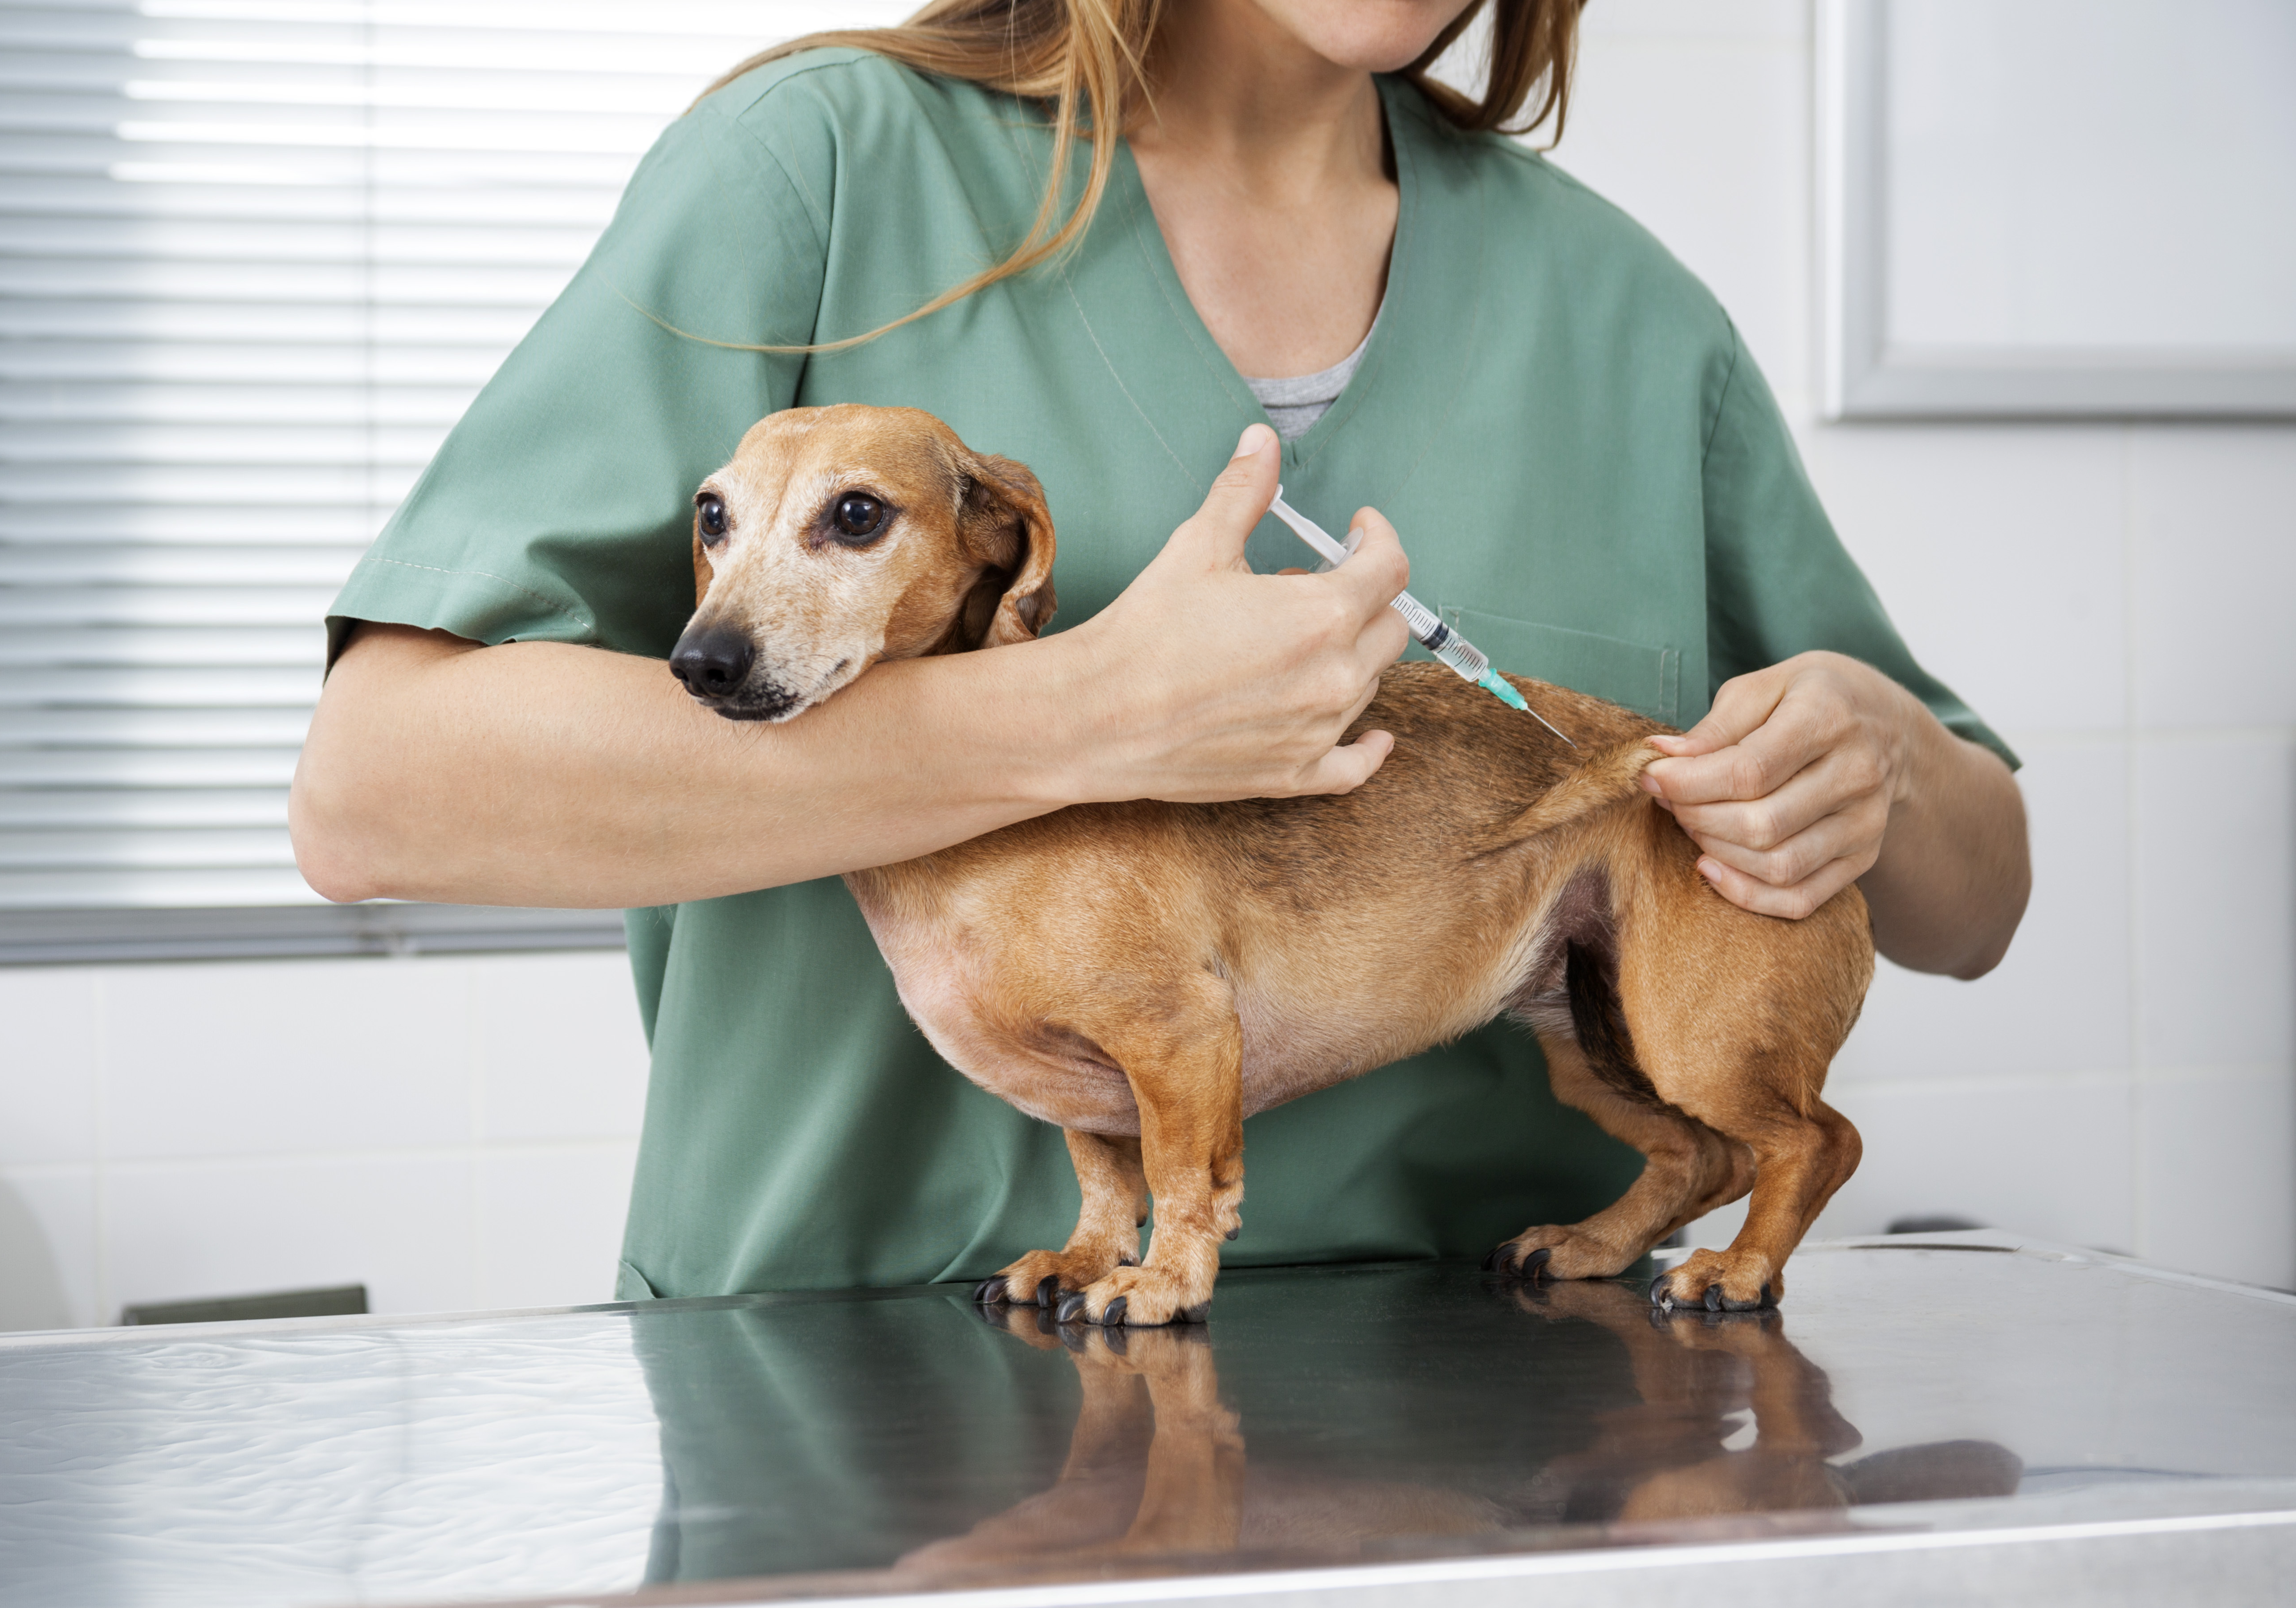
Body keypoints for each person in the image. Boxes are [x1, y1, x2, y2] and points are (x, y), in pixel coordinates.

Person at [289, 0, 2031, 1304]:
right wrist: (1076, 716)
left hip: (1506, 1435)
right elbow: (379, 800)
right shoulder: (822, 165)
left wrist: (1880, 756)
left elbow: (1976, 904)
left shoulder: (1629, 314)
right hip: (860, 1429)